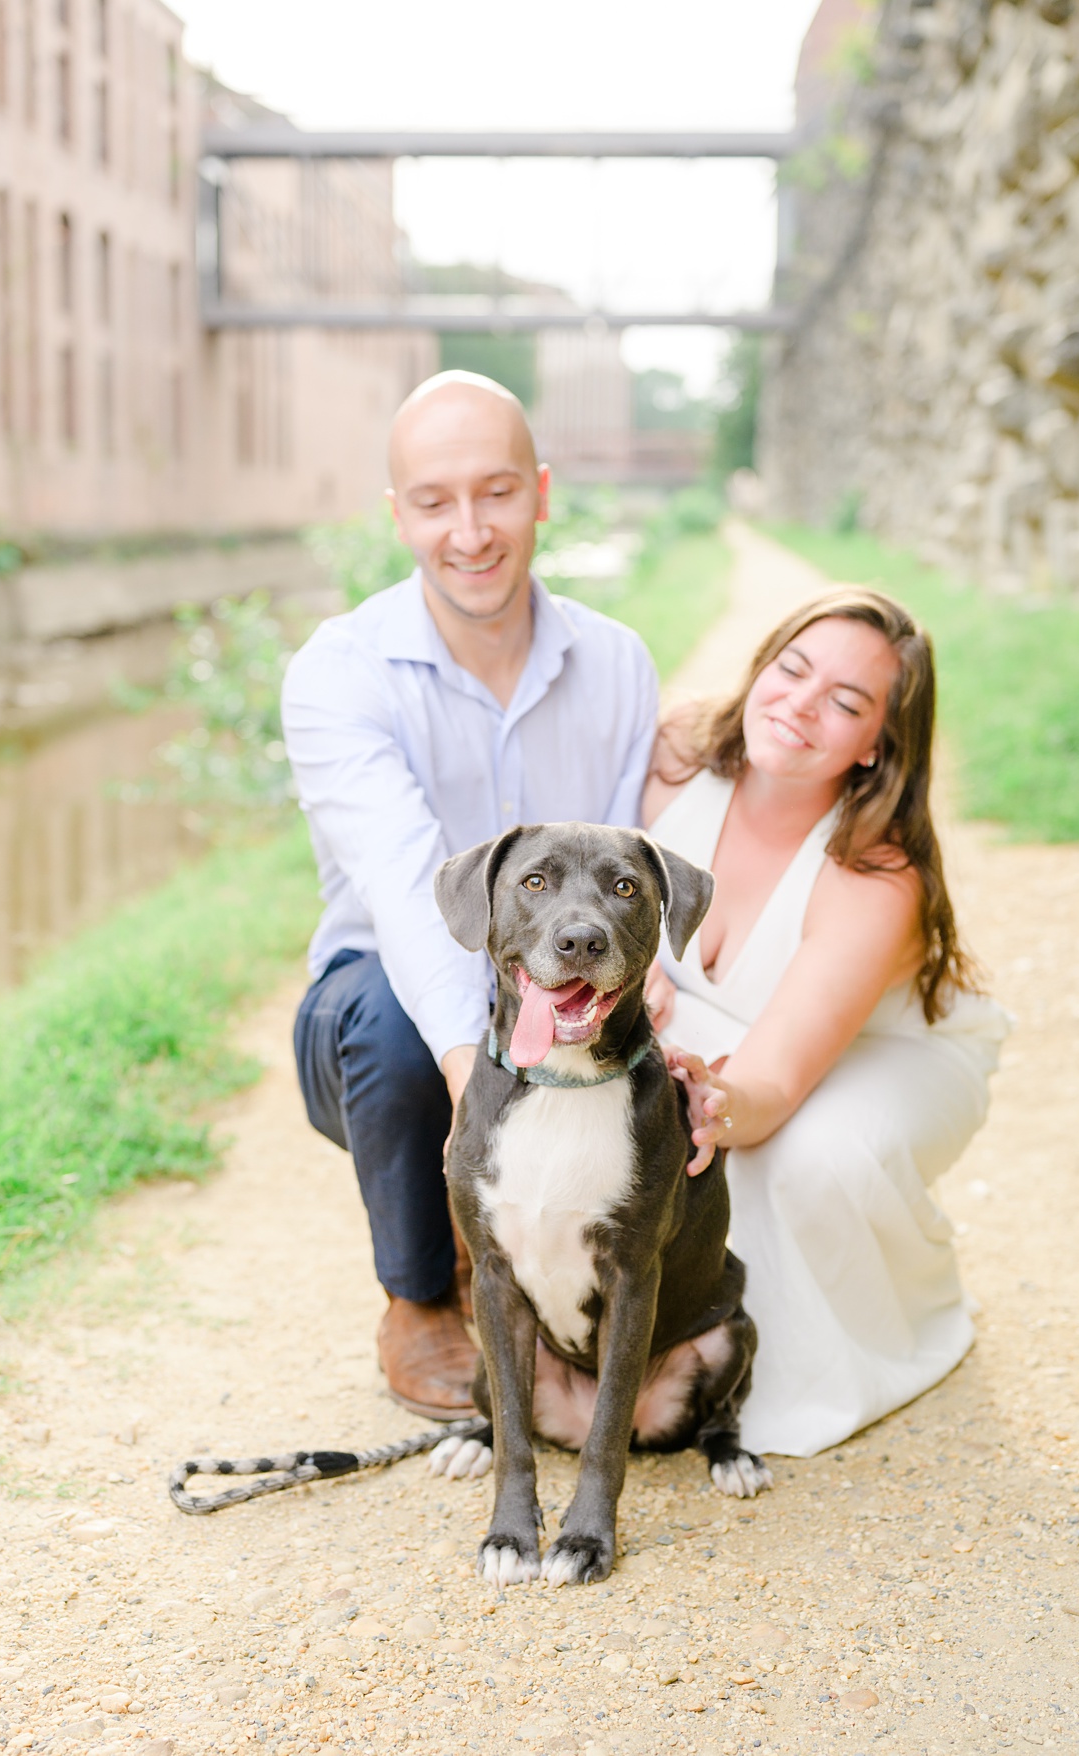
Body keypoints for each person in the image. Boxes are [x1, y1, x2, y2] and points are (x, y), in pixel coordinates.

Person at [281, 371, 659, 1418]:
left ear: (540, 492)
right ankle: (421, 1296)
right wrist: (476, 1082)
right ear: (397, 514)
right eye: (435, 501)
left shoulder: (617, 663)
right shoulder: (340, 670)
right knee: (396, 1021)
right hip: (374, 1023)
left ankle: (578, 1277)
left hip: (563, 999)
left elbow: (631, 888)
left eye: (496, 492)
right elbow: (410, 893)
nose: (471, 531)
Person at [646, 590, 1005, 1457]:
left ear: (876, 744)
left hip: (890, 1049)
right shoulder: (680, 749)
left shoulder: (878, 873)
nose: (800, 707)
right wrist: (641, 970)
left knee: (804, 1155)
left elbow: (766, 1088)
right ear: (761, 665)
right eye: (791, 670)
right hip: (721, 1012)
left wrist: (705, 1097)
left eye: (845, 704)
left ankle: (898, 1321)